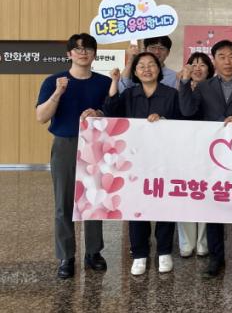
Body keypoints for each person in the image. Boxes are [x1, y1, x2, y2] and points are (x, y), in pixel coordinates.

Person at [178, 40, 232, 280]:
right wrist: (185, 83)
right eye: (222, 57)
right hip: (212, 157)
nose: (227, 61)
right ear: (214, 61)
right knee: (214, 207)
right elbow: (187, 111)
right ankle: (216, 258)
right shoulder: (203, 87)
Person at [36, 34, 112, 279]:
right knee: (64, 202)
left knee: (94, 200)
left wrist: (99, 112)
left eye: (88, 48)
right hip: (65, 144)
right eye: (77, 49)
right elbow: (41, 116)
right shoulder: (53, 81)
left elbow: (114, 111)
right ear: (69, 54)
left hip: (95, 145)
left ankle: (93, 252)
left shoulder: (104, 82)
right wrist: (58, 93)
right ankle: (66, 256)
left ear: (94, 54)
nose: (83, 52)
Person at [103, 52, 181, 275]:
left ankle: (164, 251)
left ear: (159, 68)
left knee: (165, 204)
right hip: (134, 159)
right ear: (135, 72)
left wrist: (165, 122)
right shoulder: (129, 94)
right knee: (136, 205)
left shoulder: (171, 94)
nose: (147, 69)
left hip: (164, 158)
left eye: (151, 65)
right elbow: (110, 112)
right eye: (141, 66)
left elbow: (183, 122)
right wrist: (115, 81)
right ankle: (139, 253)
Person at [176, 52, 214, 258]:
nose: (197, 68)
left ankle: (203, 242)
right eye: (194, 64)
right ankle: (187, 242)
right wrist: (184, 84)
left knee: (207, 194)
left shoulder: (213, 89)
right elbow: (185, 112)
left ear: (210, 69)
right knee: (186, 193)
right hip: (185, 150)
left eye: (202, 65)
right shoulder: (180, 87)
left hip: (209, 150)